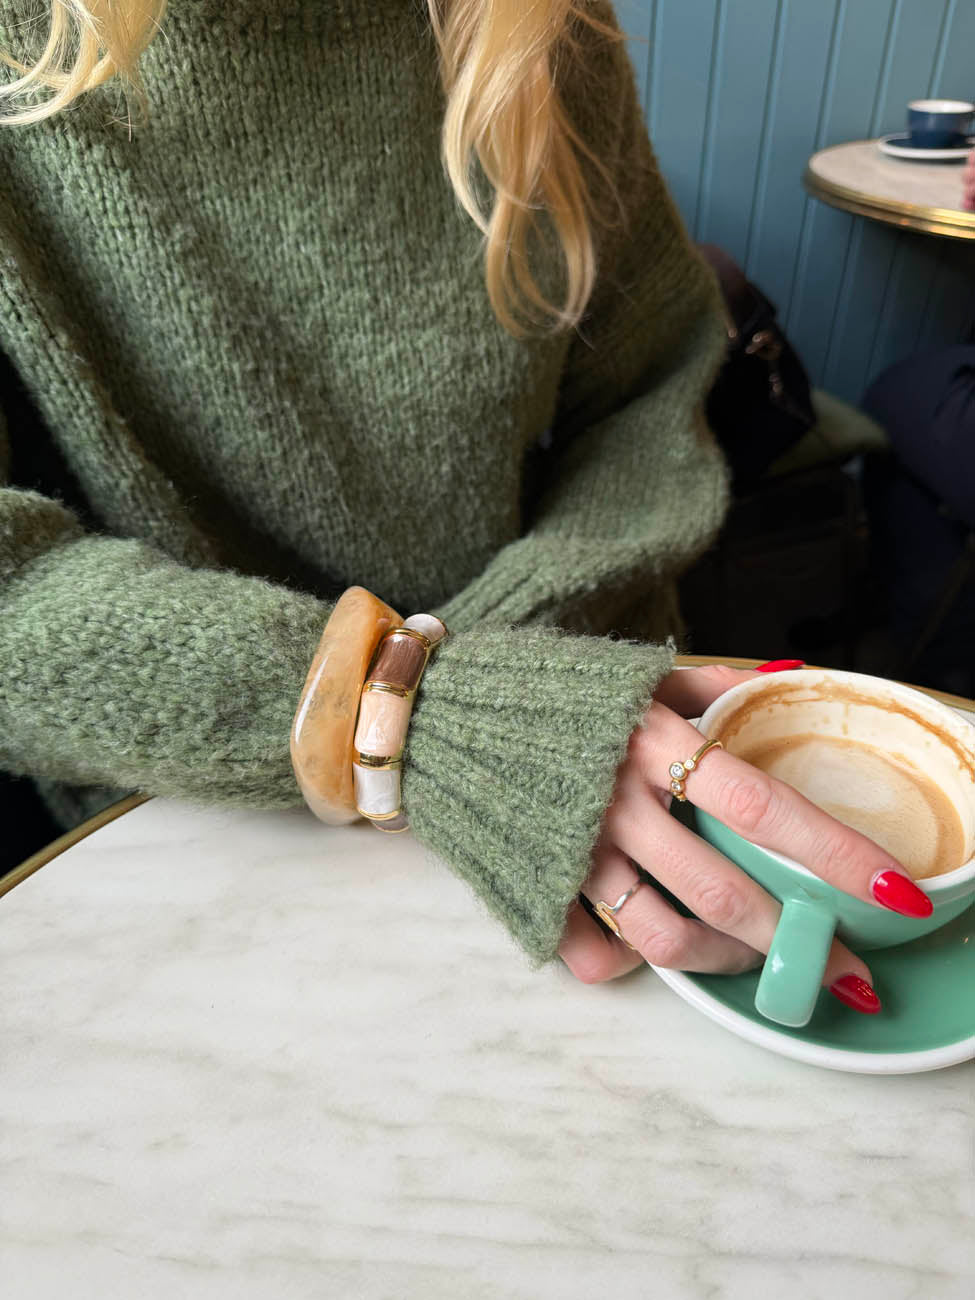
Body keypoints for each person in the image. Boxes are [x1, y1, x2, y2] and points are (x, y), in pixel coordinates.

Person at [0, 0, 931, 1013]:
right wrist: (428, 717)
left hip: (576, 749)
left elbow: (645, 395)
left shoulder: (538, 30)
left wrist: (499, 689)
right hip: (175, 815)